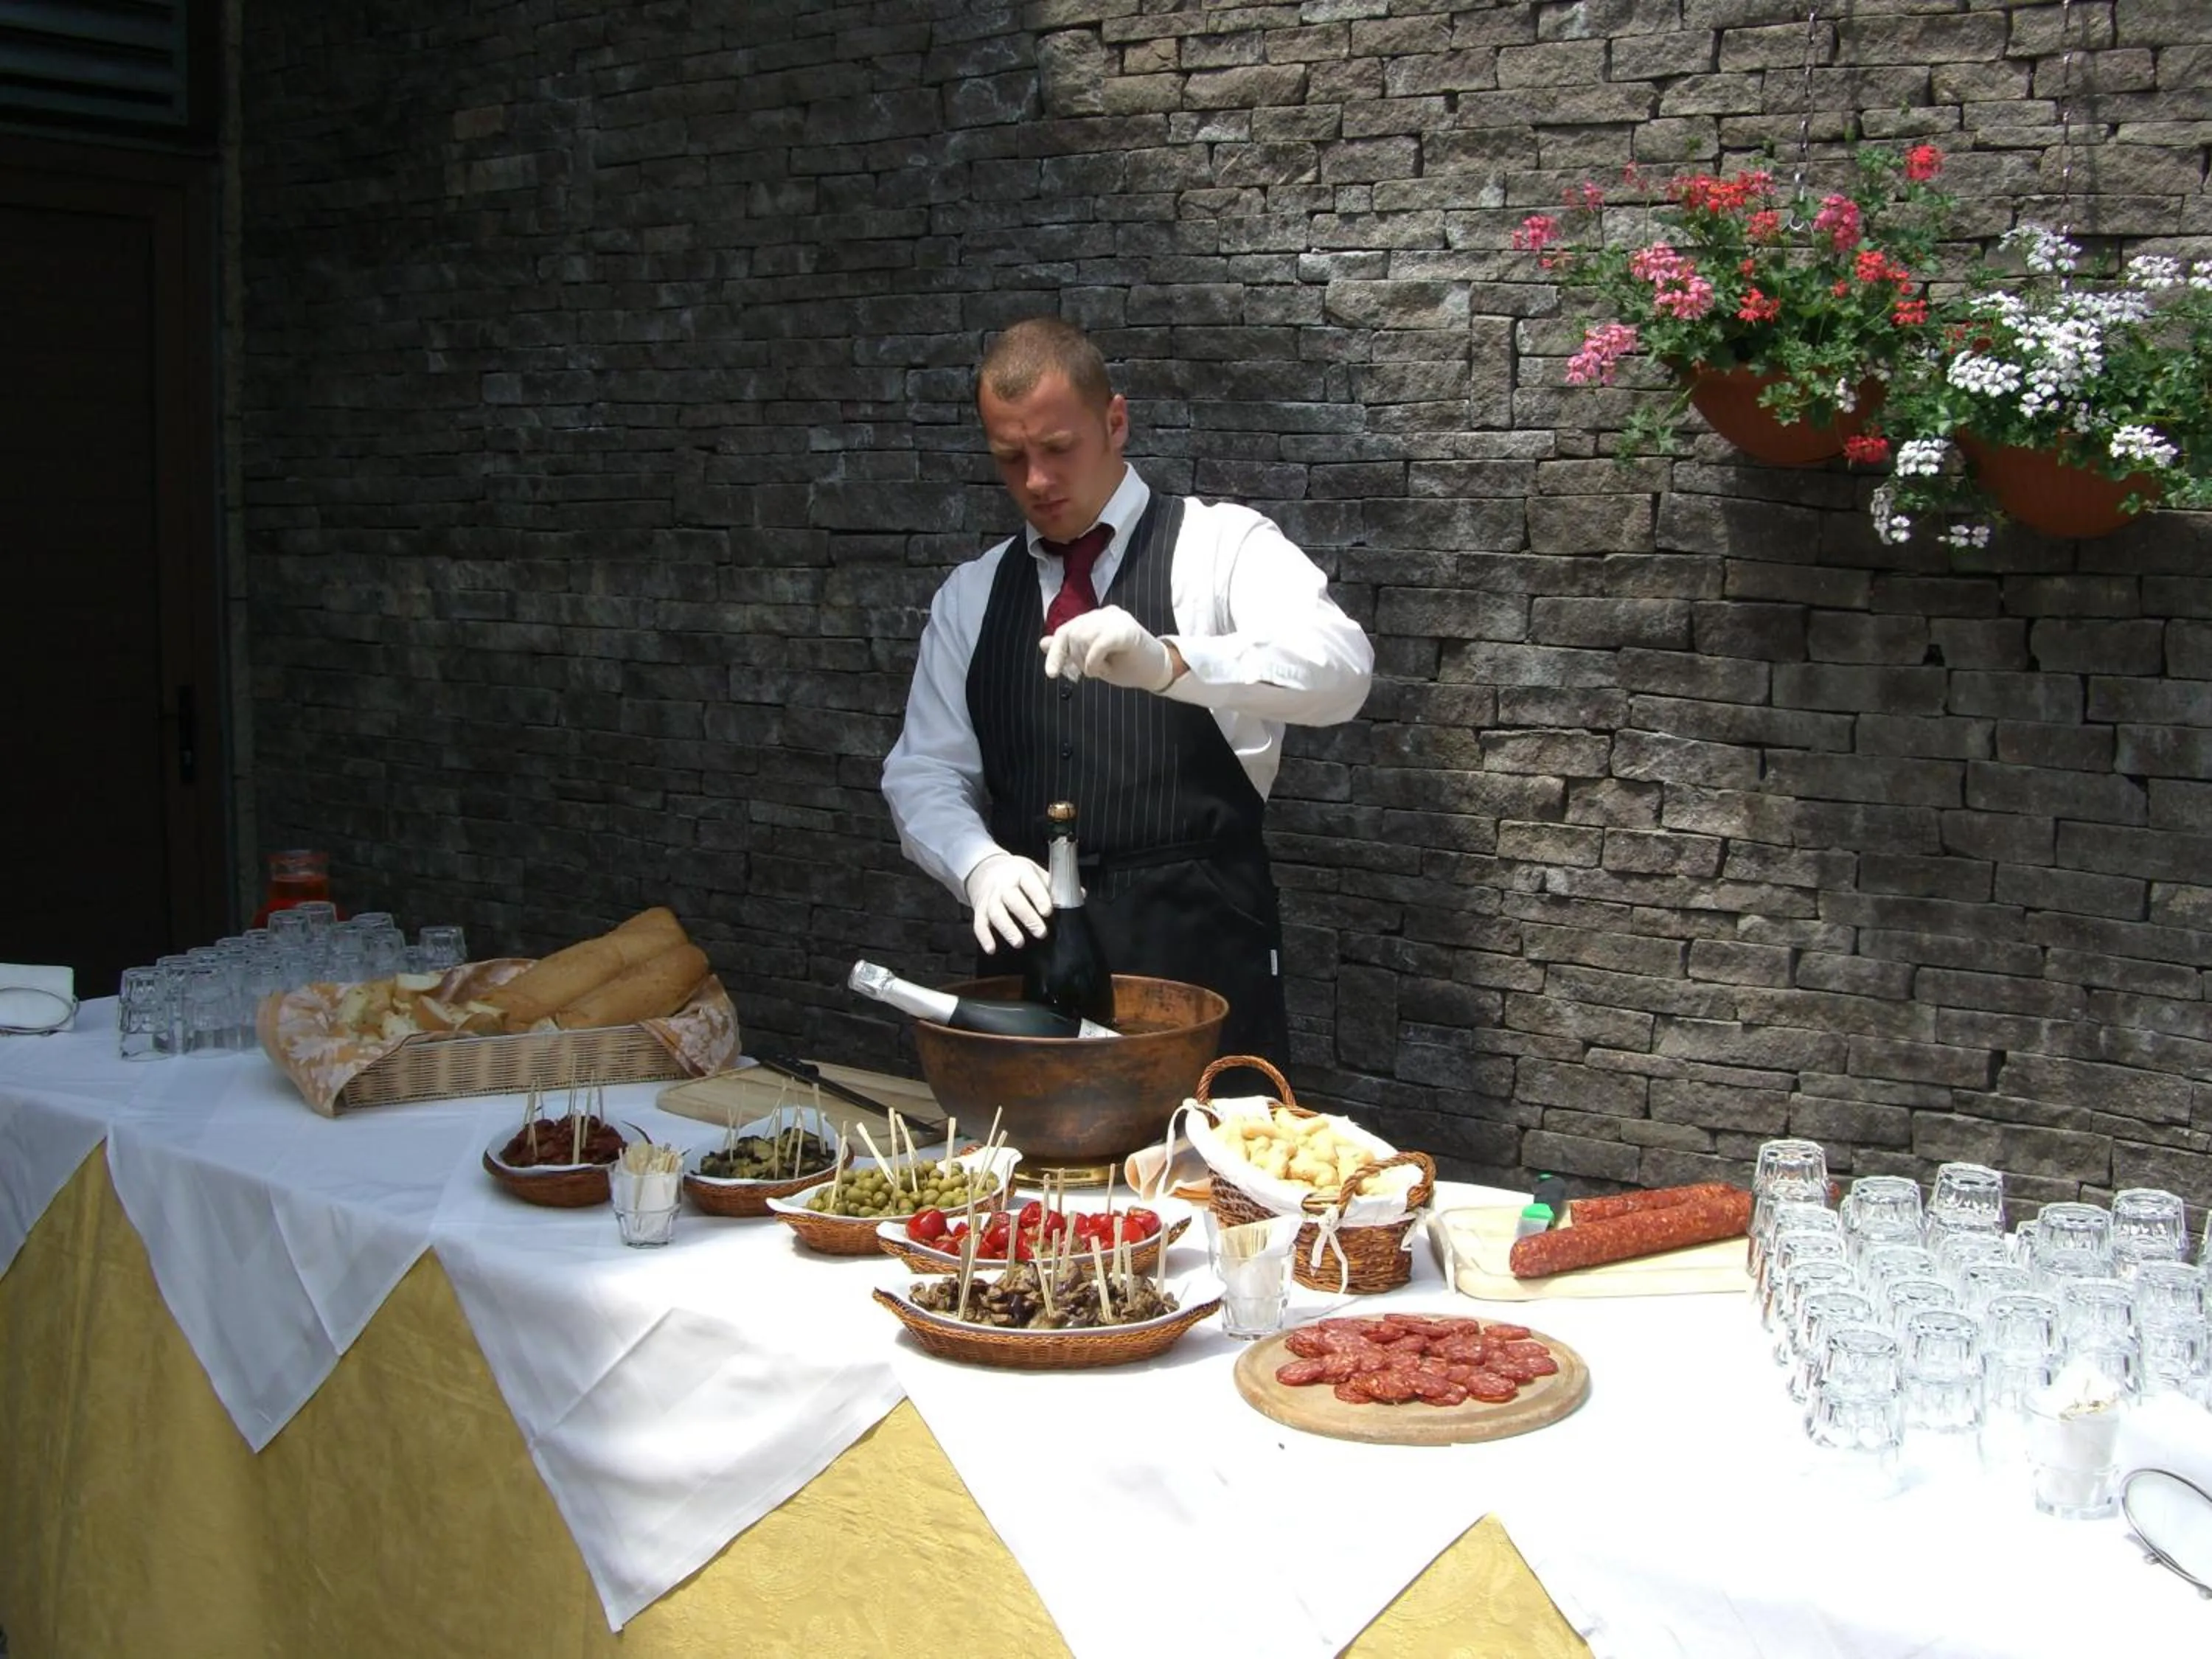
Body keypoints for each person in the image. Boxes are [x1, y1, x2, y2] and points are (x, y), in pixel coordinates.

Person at [880, 316, 1374, 1068]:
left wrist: (1172, 661)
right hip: (1032, 968)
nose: (1036, 481)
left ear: (1115, 421)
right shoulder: (970, 596)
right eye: (1010, 458)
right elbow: (924, 771)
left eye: (1057, 448)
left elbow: (1343, 670)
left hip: (1203, 956)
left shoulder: (1223, 547)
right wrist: (976, 861)